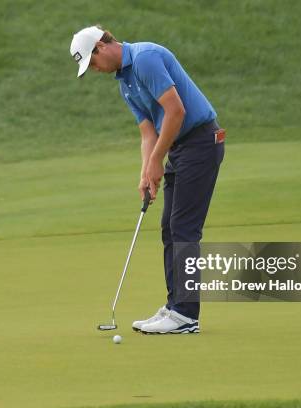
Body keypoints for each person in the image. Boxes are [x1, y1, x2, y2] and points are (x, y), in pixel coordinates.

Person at [70, 25, 225, 334]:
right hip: (180, 148)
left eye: (93, 62)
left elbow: (176, 111)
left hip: (202, 142)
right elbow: (147, 132)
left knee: (184, 228)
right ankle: (175, 306)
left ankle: (186, 315)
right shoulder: (124, 82)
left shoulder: (145, 58)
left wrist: (157, 159)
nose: (96, 70)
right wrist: (146, 170)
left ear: (102, 46)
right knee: (170, 226)